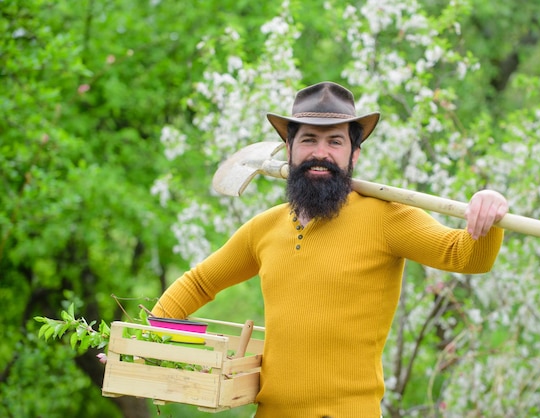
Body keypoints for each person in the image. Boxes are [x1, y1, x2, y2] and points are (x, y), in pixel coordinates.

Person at [152, 81, 508, 418]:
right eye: (308, 140)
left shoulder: (388, 219)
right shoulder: (264, 228)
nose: (320, 153)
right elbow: (198, 283)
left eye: (335, 142)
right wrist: (143, 343)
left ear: (354, 155)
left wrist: (488, 211)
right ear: (289, 150)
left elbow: (467, 256)